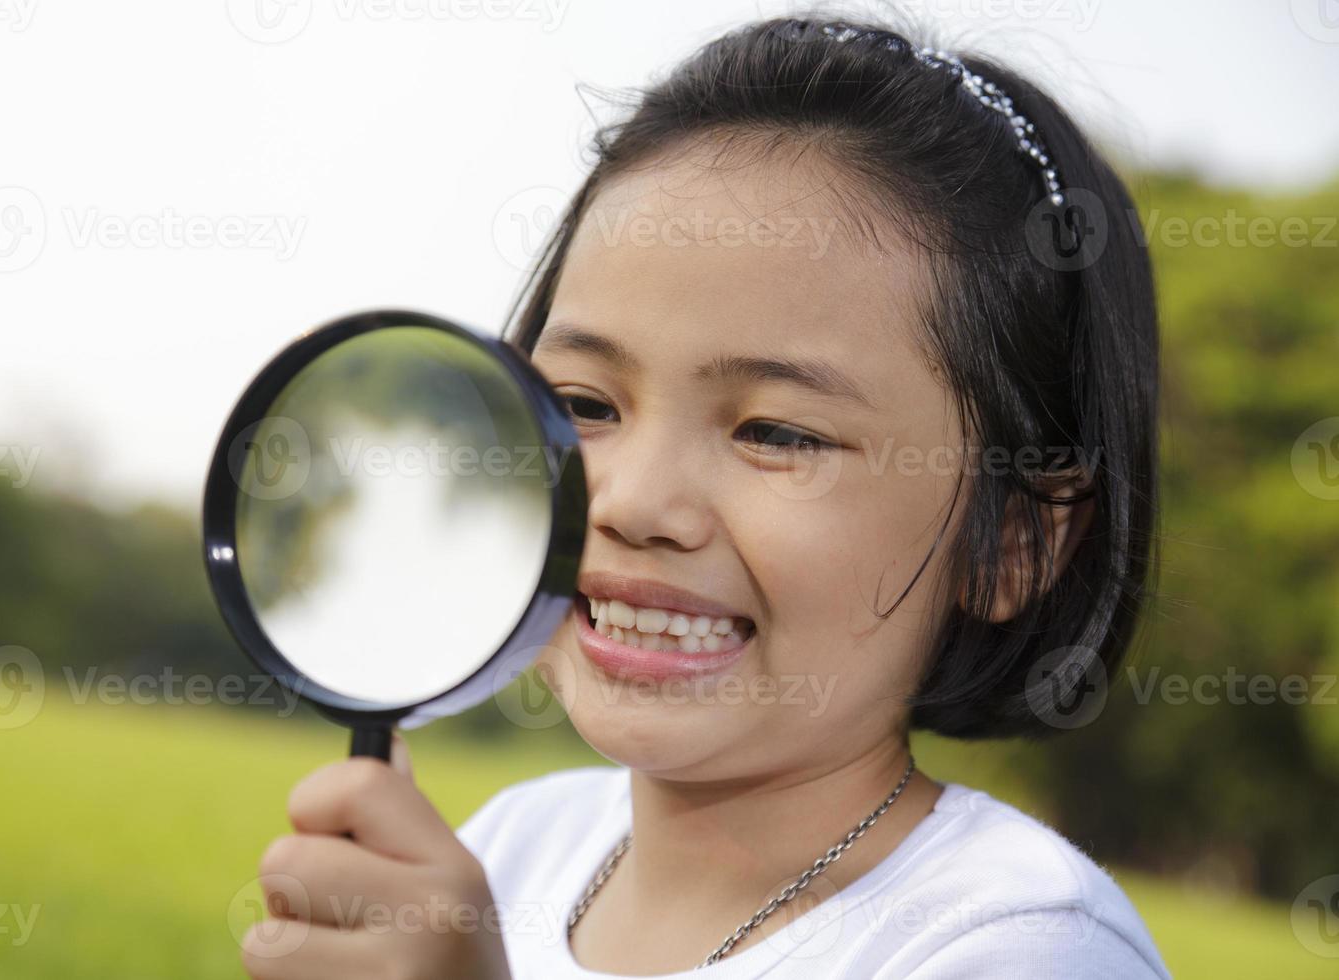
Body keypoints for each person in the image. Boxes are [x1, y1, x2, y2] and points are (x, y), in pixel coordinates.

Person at [240, 13, 1169, 979]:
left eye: (777, 432)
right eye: (586, 404)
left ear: (1014, 542)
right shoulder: (513, 845)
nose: (636, 505)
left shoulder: (1020, 944)